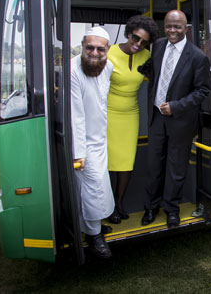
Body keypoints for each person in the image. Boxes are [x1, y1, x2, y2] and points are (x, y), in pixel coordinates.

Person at [142, 10, 211, 228]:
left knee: (176, 168)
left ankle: (171, 209)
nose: (172, 31)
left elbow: (202, 91)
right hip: (156, 118)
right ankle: (151, 208)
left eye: (177, 27)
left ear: (186, 28)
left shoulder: (198, 56)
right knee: (154, 166)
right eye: (169, 26)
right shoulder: (158, 46)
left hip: (180, 120)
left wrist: (176, 106)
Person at [107, 15, 158, 224]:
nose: (138, 44)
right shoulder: (108, 52)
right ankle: (107, 206)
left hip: (130, 113)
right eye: (135, 38)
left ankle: (119, 202)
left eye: (144, 42)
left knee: (126, 162)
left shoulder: (147, 56)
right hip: (107, 113)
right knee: (106, 162)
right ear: (129, 33)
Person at [71, 26, 115, 258]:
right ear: (82, 46)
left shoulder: (108, 66)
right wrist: (79, 153)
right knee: (91, 189)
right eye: (90, 47)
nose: (95, 53)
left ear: (107, 50)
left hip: (100, 140)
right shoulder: (72, 69)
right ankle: (94, 236)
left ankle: (92, 226)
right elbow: (76, 114)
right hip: (83, 145)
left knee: (98, 188)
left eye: (100, 49)